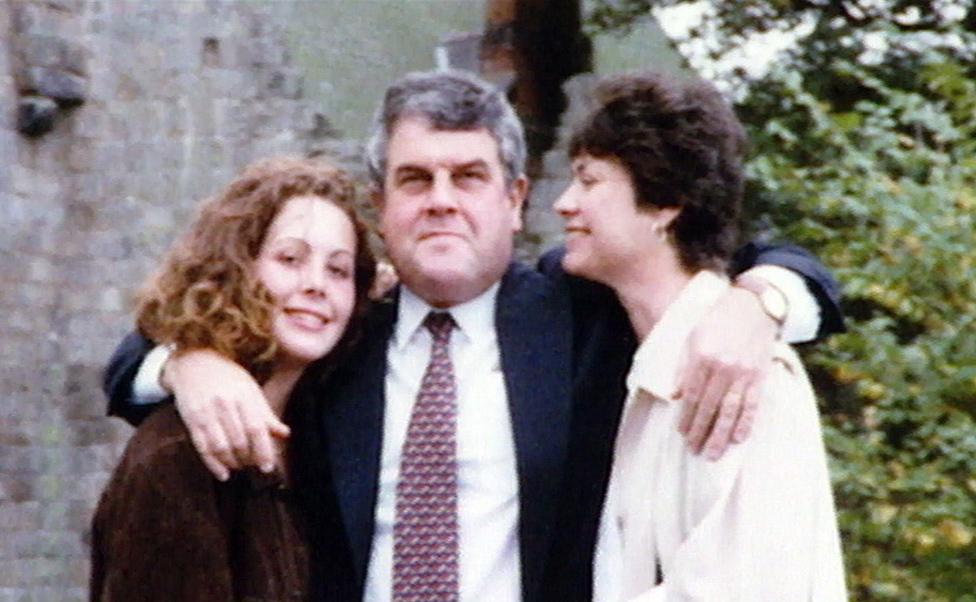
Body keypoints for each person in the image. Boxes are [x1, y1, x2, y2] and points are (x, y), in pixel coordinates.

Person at [102, 70, 844, 601]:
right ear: (380, 202)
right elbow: (138, 356)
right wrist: (190, 365)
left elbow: (733, 255)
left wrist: (763, 303)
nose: (442, 203)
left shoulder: (584, 314)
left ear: (516, 199)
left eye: (469, 177)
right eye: (416, 179)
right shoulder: (334, 330)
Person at [552, 72, 847, 600]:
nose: (565, 203)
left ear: (665, 203)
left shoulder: (745, 371)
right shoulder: (643, 350)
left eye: (589, 181)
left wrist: (766, 297)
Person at [90, 157, 376, 601]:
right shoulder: (180, 456)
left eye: (338, 270)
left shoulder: (317, 438)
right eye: (290, 259)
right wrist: (182, 362)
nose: (317, 284)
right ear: (236, 269)